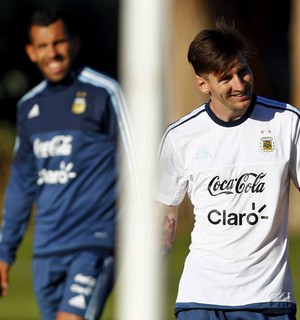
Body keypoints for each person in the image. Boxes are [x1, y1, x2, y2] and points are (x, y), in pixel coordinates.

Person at [157, 19, 298, 320]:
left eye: (242, 71)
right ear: (202, 84)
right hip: (200, 299)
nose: (239, 83)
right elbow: (165, 218)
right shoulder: (180, 137)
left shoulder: (287, 123)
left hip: (268, 300)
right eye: (226, 78)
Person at [0, 7, 133, 320]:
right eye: (43, 46)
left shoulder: (104, 93)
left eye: (58, 43)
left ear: (74, 43)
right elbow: (21, 184)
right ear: (31, 53)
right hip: (46, 248)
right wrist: (5, 252)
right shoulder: (28, 107)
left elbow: (136, 162)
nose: (53, 53)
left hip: (94, 241)